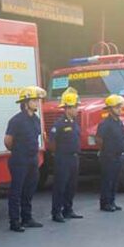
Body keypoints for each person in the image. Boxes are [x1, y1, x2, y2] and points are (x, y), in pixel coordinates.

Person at [5, 85, 46, 231]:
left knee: (29, 189)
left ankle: (27, 218)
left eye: (37, 100)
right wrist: (18, 152)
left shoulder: (36, 119)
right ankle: (14, 221)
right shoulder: (16, 120)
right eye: (34, 100)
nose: (37, 103)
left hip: (32, 159)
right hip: (19, 159)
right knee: (16, 191)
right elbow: (8, 141)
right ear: (26, 102)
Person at [48, 87, 83, 222]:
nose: (77, 109)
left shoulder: (74, 123)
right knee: (60, 186)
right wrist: (58, 154)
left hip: (74, 158)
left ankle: (68, 210)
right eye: (75, 107)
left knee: (71, 185)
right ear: (68, 108)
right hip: (62, 159)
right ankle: (56, 212)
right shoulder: (59, 124)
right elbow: (52, 142)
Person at [96, 94, 124, 212]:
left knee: (115, 181)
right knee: (107, 181)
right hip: (108, 156)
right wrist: (105, 151)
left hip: (118, 156)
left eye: (120, 107)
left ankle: (112, 201)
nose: (119, 109)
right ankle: (105, 203)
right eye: (116, 107)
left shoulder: (119, 122)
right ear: (110, 109)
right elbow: (99, 139)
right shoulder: (105, 124)